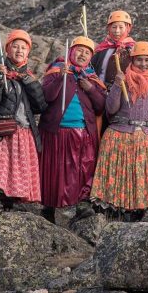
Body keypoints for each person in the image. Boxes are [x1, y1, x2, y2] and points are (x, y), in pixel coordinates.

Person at [91, 41, 148, 217]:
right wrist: (118, 86)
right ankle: (116, 209)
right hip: (121, 133)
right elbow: (111, 109)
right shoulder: (122, 81)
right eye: (139, 60)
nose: (143, 64)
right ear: (132, 62)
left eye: (147, 60)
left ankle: (142, 208)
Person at [0, 29, 47, 208]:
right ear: (7, 50)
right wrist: (0, 79)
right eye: (15, 46)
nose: (19, 51)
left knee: (15, 171)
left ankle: (10, 204)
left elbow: (40, 105)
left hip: (22, 129)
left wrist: (28, 82)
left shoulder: (28, 77)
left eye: (23, 47)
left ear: (28, 52)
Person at [39, 36, 107, 211]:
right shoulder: (56, 70)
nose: (83, 55)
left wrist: (90, 89)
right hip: (57, 131)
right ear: (71, 51)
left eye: (87, 52)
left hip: (83, 131)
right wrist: (61, 78)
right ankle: (49, 207)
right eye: (79, 50)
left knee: (82, 169)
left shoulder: (91, 77)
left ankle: (81, 205)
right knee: (55, 170)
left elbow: (100, 106)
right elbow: (46, 96)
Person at [91, 10, 136, 88]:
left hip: (124, 92)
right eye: (114, 27)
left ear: (127, 28)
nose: (117, 31)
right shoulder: (102, 49)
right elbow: (91, 67)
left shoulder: (133, 49)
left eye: (121, 27)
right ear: (109, 28)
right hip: (100, 90)